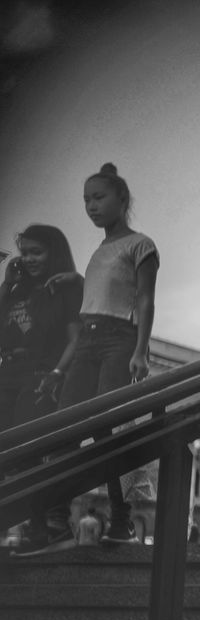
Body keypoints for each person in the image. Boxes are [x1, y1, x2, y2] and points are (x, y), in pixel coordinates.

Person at [56, 163, 159, 544]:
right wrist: (75, 280)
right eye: (86, 199)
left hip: (120, 339)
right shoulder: (100, 249)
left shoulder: (141, 244)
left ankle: (121, 518)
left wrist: (141, 350)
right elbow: (102, 292)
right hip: (87, 339)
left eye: (98, 197)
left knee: (106, 429)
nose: (91, 206)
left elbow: (144, 299)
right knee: (64, 425)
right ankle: (54, 519)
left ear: (122, 199)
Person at [1, 224, 83, 556]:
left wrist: (56, 373)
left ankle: (49, 526)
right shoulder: (16, 290)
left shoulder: (63, 289)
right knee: (9, 454)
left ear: (54, 252)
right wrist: (7, 283)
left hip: (40, 375)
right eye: (25, 252)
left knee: (30, 450)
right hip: (8, 374)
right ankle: (33, 525)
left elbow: (76, 339)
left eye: (38, 252)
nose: (30, 258)